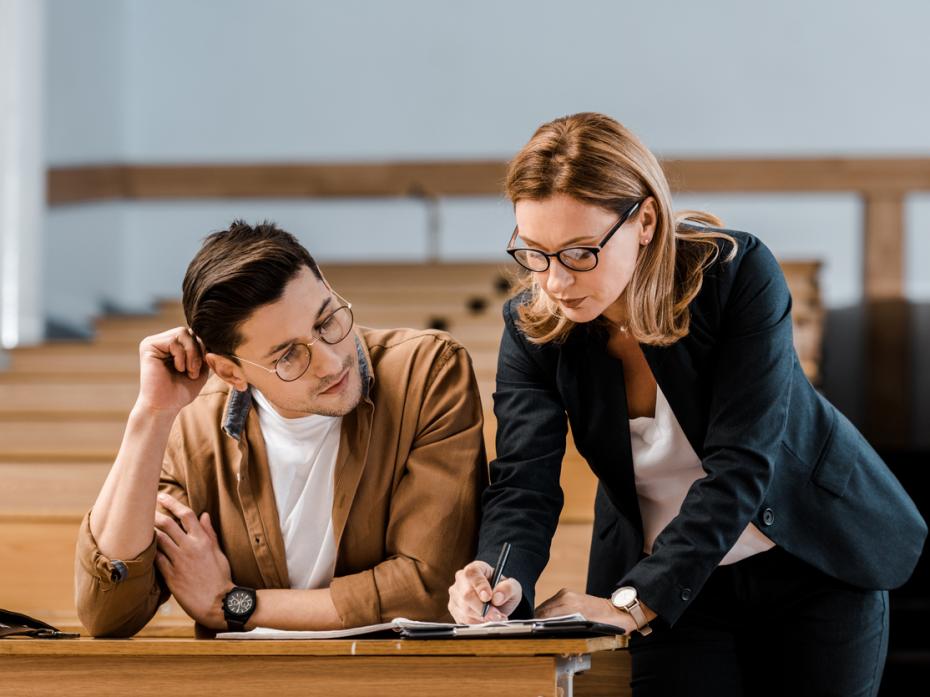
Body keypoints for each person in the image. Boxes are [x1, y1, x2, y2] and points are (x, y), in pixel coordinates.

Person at [447, 113, 927, 696]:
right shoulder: (532, 329)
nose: (554, 282)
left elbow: (742, 464)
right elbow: (524, 481)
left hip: (810, 559)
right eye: (536, 252)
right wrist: (501, 579)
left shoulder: (735, 274)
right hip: (672, 579)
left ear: (644, 220)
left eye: (578, 253)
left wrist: (632, 601)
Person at [76, 221, 486, 637]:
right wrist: (151, 415)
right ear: (228, 371)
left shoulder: (427, 373)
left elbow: (428, 591)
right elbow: (109, 614)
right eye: (288, 356)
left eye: (326, 322)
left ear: (326, 284)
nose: (330, 362)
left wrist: (233, 605)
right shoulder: (193, 427)